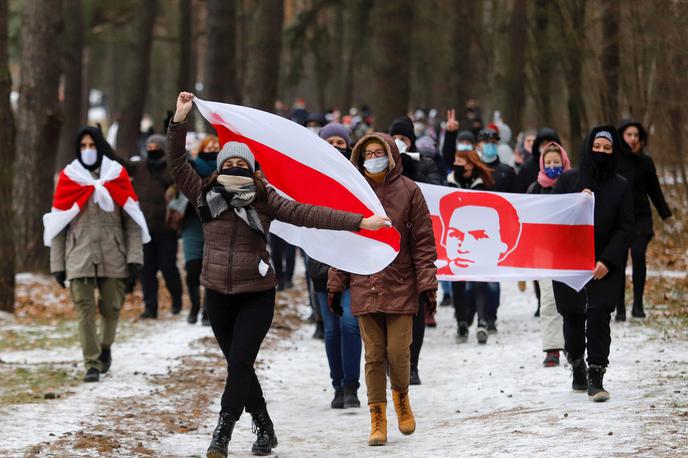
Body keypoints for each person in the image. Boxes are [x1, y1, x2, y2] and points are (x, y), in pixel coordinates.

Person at [168, 92, 389, 457]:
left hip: (257, 293)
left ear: (252, 169)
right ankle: (265, 428)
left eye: (242, 164)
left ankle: (222, 432)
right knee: (240, 366)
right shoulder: (204, 195)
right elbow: (177, 163)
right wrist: (179, 119)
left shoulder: (264, 198)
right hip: (218, 294)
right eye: (230, 163)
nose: (235, 168)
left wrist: (360, 222)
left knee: (240, 363)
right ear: (220, 168)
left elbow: (308, 214)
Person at [328, 133, 438, 447]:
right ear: (360, 157)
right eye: (368, 153)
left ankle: (401, 398)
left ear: (390, 156)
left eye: (379, 152)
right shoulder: (354, 193)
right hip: (365, 283)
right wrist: (337, 284)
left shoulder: (409, 191)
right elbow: (343, 242)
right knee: (374, 355)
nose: (373, 157)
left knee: (398, 353)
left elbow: (423, 242)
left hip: (401, 283)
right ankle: (378, 417)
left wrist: (427, 284)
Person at [47, 126, 145, 382]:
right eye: (83, 146)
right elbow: (57, 225)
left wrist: (135, 258)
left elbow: (132, 221)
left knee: (112, 308)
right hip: (78, 255)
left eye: (92, 145)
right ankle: (91, 362)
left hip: (114, 253)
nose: (88, 150)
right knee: (84, 309)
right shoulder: (70, 178)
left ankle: (104, 347)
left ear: (100, 147)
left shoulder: (117, 175)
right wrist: (57, 264)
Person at [552, 126, 633, 402]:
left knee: (599, 315)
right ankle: (576, 364)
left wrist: (608, 260)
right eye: (597, 146)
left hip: (604, 264)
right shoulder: (568, 181)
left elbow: (625, 227)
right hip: (569, 262)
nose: (601, 152)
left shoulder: (621, 186)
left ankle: (596, 375)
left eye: (607, 148)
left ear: (613, 152)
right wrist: (576, 203)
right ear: (588, 147)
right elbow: (552, 220)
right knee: (573, 315)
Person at [309, 123, 362, 409]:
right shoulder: (309, 175)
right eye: (329, 141)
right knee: (331, 329)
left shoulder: (357, 177)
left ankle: (352, 386)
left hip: (354, 262)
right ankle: (338, 385)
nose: (335, 146)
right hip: (321, 263)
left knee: (351, 324)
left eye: (340, 142)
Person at [388, 116, 442, 385]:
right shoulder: (381, 166)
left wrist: (412, 167)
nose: (399, 143)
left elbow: (436, 190)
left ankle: (412, 364)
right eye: (395, 138)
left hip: (417, 247)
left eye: (405, 139)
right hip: (390, 248)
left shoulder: (425, 163)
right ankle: (393, 361)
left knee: (417, 308)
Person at [615, 120, 674, 320]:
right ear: (621, 135)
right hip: (618, 219)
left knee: (639, 256)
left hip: (641, 218)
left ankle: (638, 304)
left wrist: (666, 215)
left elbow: (654, 190)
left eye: (636, 135)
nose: (633, 138)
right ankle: (620, 306)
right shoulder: (613, 160)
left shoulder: (645, 161)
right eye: (629, 134)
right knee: (618, 262)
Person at [527, 142, 572, 366]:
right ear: (542, 164)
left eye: (557, 162)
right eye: (549, 162)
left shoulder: (574, 183)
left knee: (572, 301)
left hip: (569, 250)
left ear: (564, 162)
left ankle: (573, 345)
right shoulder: (535, 188)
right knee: (549, 299)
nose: (553, 166)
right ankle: (552, 347)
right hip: (543, 251)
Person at [445, 148, 495, 343]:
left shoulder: (483, 184)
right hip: (457, 240)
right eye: (455, 160)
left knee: (480, 281)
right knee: (457, 282)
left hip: (479, 240)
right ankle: (461, 322)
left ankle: (482, 321)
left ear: (470, 164)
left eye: (460, 161)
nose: (456, 163)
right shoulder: (448, 182)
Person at [133, 133, 184, 319]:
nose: (152, 151)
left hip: (166, 229)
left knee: (168, 266)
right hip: (145, 230)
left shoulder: (171, 169)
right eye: (149, 148)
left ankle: (177, 299)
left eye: (157, 148)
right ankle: (150, 307)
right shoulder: (140, 168)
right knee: (147, 270)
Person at [474, 127, 517, 333]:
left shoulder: (506, 172)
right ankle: (481, 319)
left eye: (493, 142)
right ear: (479, 145)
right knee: (477, 281)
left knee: (493, 282)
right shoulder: (473, 170)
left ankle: (491, 316)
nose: (490, 145)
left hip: (496, 234)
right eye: (486, 142)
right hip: (473, 233)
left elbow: (517, 202)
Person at [180, 134, 220, 325]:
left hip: (216, 222)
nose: (212, 148)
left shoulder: (225, 170)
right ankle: (194, 305)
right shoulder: (193, 166)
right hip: (192, 223)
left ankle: (206, 310)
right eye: (208, 146)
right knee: (192, 267)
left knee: (211, 270)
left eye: (216, 146)